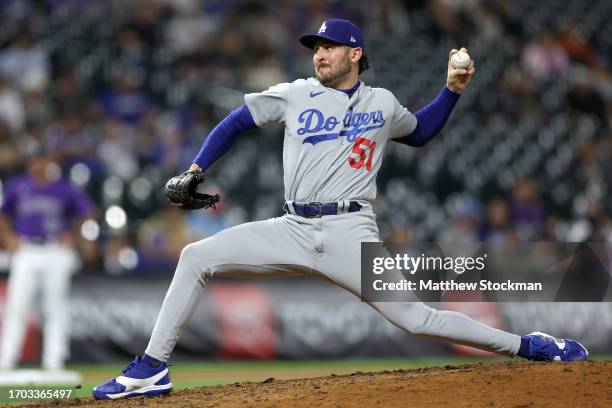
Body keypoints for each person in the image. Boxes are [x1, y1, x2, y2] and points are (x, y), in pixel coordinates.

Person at [93, 19, 588, 400]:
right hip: (291, 225)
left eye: (328, 47)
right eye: (315, 49)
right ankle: (152, 368)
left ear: (356, 53)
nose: (319, 55)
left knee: (417, 319)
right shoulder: (294, 93)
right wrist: (196, 168)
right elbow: (236, 121)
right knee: (196, 257)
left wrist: (452, 91)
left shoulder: (383, 102)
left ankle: (530, 346)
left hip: (350, 228)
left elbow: (419, 132)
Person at [0, 145, 95, 371]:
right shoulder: (18, 186)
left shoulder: (62, 187)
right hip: (27, 250)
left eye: (42, 159)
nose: (38, 164)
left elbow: (88, 211)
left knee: (55, 307)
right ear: (29, 162)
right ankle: (6, 360)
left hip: (55, 250)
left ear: (48, 161)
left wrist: (71, 233)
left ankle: (54, 361)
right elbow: (2, 214)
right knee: (17, 307)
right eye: (34, 159)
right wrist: (8, 238)